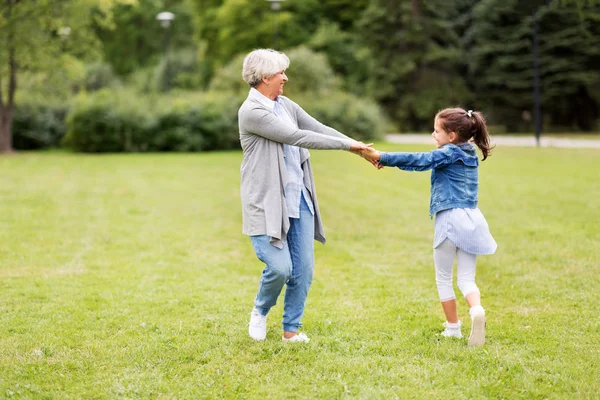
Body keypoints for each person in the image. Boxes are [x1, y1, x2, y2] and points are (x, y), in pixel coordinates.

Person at [238, 49, 371, 343]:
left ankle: (291, 330)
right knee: (279, 267)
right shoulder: (252, 112)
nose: (286, 77)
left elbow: (316, 127)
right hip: (266, 200)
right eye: (280, 73)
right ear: (264, 77)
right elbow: (296, 136)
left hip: (299, 197)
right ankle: (260, 311)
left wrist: (356, 144)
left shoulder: (285, 104)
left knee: (303, 269)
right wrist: (348, 148)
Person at [361, 108, 497, 347]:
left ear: (452, 135)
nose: (433, 135)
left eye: (437, 131)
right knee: (467, 279)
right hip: (473, 220)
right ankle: (476, 310)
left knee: (443, 277)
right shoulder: (470, 153)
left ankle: (453, 328)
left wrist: (382, 157)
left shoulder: (448, 152)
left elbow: (420, 160)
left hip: (449, 219)